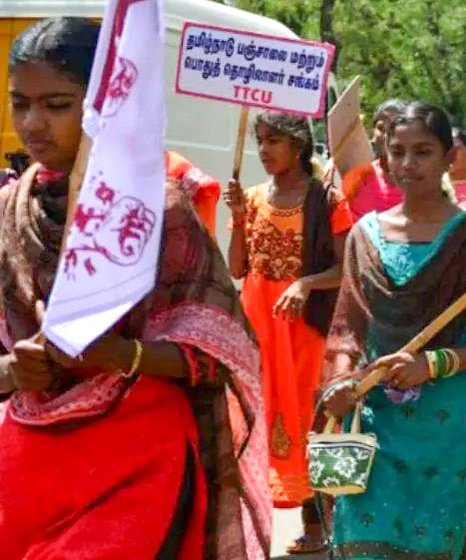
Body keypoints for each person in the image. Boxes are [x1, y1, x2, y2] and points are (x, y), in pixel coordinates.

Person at [0, 17, 271, 558]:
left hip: (139, 455)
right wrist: (12, 370)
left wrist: (123, 354)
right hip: (30, 461)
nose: (32, 123)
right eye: (19, 103)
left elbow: (223, 350)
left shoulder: (156, 209)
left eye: (56, 105)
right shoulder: (9, 210)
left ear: (102, 104)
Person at [320, 102, 466, 560]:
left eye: (423, 151)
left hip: (449, 430)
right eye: (397, 151)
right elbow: (347, 332)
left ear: (450, 157)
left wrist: (433, 363)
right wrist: (339, 383)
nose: (408, 164)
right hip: (374, 426)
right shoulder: (365, 236)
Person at [224, 112, 352, 554]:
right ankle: (250, 523)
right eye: (260, 140)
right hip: (258, 324)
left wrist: (304, 283)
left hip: (303, 328)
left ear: (298, 145)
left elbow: (346, 268)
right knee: (250, 416)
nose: (263, 149)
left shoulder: (328, 200)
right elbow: (236, 269)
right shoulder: (255, 198)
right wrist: (239, 218)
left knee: (305, 418)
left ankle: (316, 526)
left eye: (273, 140)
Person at [339, 99, 408, 219]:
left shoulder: (420, 179)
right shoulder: (358, 177)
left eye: (394, 128)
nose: (386, 135)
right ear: (372, 131)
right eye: (381, 128)